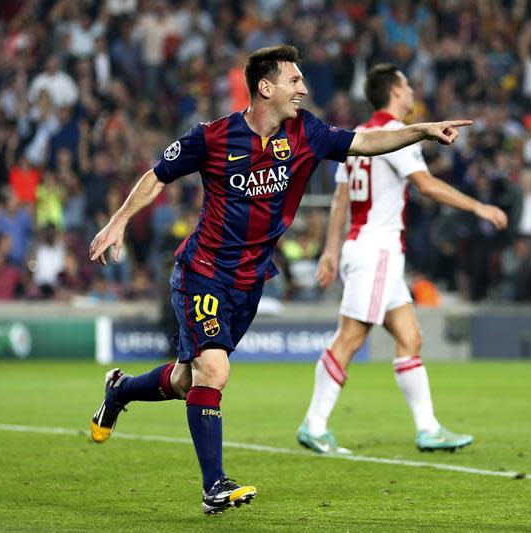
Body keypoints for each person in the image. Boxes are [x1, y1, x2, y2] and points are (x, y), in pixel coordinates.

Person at [87, 46, 474, 515]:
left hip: (250, 282)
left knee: (191, 380)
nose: (304, 89)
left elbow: (364, 142)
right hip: (204, 273)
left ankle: (121, 390)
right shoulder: (212, 137)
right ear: (265, 87)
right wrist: (119, 221)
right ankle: (215, 487)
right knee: (215, 371)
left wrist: (422, 133)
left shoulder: (305, 131)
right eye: (295, 80)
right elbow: (156, 175)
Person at [297, 64, 507, 455]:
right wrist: (478, 207)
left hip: (369, 248)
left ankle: (428, 428)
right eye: (407, 84)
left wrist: (330, 251)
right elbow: (425, 185)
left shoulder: (356, 136)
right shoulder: (397, 136)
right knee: (351, 337)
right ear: (395, 91)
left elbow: (341, 199)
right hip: (377, 249)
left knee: (411, 337)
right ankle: (315, 423)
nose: (412, 90)